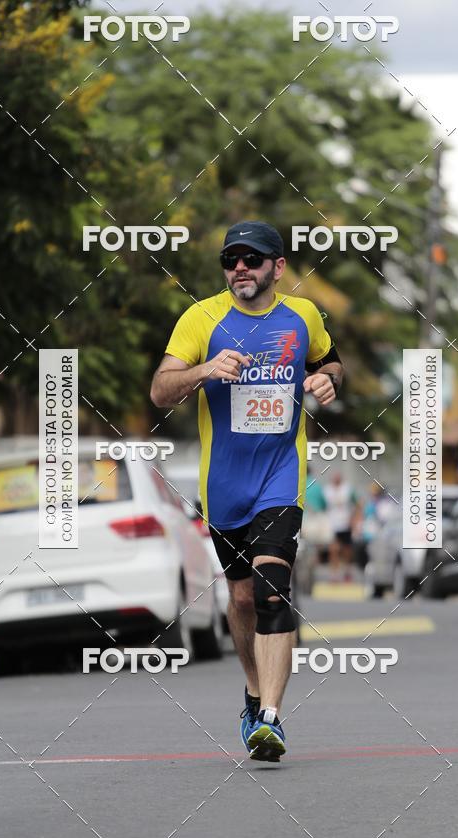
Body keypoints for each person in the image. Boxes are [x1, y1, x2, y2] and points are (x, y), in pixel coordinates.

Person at [150, 221, 343, 760]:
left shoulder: (302, 317)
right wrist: (205, 370)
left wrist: (330, 378)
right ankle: (254, 693)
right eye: (231, 259)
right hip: (225, 486)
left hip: (281, 477)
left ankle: (274, 720)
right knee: (241, 598)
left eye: (252, 259)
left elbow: (329, 360)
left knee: (271, 590)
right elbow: (160, 389)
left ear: (277, 268)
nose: (240, 268)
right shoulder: (201, 318)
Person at [323, 471, 361, 575]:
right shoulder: (327, 490)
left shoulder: (348, 489)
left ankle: (347, 571)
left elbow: (358, 504)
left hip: (346, 523)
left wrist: (355, 519)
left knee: (346, 549)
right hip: (332, 524)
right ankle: (334, 573)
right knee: (333, 549)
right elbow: (322, 506)